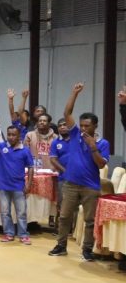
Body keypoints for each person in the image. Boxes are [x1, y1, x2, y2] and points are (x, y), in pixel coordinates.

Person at [49, 83, 109, 261]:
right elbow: (67, 113)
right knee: (65, 216)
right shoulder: (74, 134)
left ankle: (87, 250)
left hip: (90, 186)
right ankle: (61, 245)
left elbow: (100, 165)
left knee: (90, 220)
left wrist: (93, 148)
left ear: (95, 126)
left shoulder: (103, 143)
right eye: (81, 125)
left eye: (87, 126)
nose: (83, 129)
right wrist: (74, 93)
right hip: (71, 184)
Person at [0, 123, 34, 244]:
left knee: (21, 213)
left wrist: (29, 184)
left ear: (19, 136)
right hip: (2, 186)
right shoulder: (1, 146)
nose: (11, 137)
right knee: (5, 212)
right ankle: (8, 233)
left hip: (19, 186)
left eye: (14, 135)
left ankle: (23, 234)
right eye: (9, 134)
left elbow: (30, 167)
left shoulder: (25, 150)